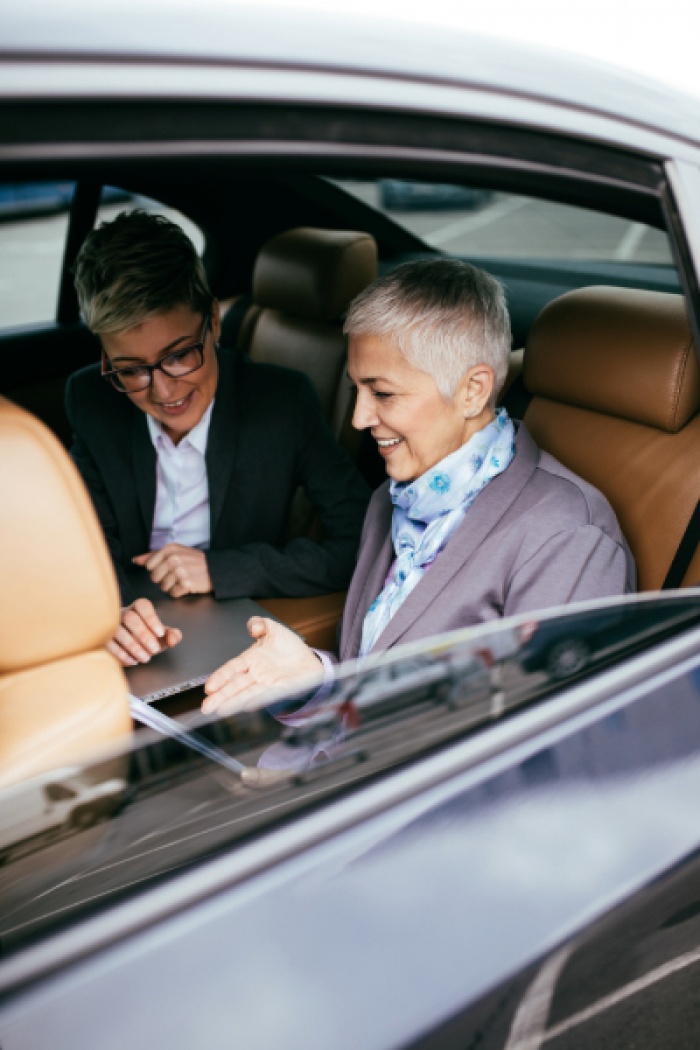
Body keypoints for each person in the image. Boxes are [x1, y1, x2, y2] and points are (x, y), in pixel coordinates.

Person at [201, 258, 635, 716]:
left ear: (472, 390)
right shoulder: (390, 502)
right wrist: (317, 678)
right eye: (356, 390)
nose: (359, 418)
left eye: (382, 393)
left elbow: (539, 745)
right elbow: (369, 674)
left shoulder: (566, 538)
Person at [67, 210, 370, 668]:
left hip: (237, 623)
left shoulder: (281, 403)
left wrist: (222, 568)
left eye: (180, 355)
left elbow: (361, 540)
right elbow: (87, 539)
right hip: (131, 627)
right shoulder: (93, 399)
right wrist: (110, 609)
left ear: (213, 319)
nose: (164, 391)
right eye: (130, 369)